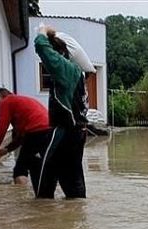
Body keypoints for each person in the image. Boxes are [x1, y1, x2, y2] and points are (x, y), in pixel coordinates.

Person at [32, 24, 88, 199]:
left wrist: (43, 31)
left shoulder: (66, 69)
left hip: (64, 132)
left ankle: (42, 216)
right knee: (73, 181)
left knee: (44, 177)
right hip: (77, 133)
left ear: (60, 52)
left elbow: (41, 46)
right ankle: (76, 219)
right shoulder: (77, 73)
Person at [0, 88, 51, 194]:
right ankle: (45, 197)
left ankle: (21, 199)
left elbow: (0, 129)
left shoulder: (6, 102)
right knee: (41, 165)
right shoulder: (19, 101)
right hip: (50, 131)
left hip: (36, 131)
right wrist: (6, 150)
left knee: (20, 169)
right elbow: (21, 137)